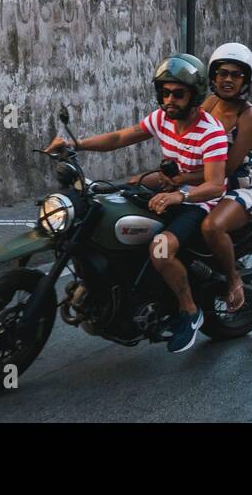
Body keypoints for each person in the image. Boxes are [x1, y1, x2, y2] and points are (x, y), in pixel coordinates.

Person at [43, 53, 227, 353]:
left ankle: (190, 312)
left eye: (178, 94)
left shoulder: (212, 132)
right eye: (165, 92)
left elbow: (215, 184)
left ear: (195, 95)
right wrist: (74, 145)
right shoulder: (162, 118)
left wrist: (179, 195)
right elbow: (118, 138)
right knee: (111, 214)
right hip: (168, 190)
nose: (170, 100)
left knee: (160, 250)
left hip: (199, 202)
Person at [198, 42, 252, 313]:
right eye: (222, 73)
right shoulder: (210, 103)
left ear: (246, 80)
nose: (227, 79)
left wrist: (182, 180)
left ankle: (233, 279)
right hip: (206, 180)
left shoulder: (249, 116)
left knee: (211, 228)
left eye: (236, 75)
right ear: (213, 76)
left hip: (239, 187)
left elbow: (228, 168)